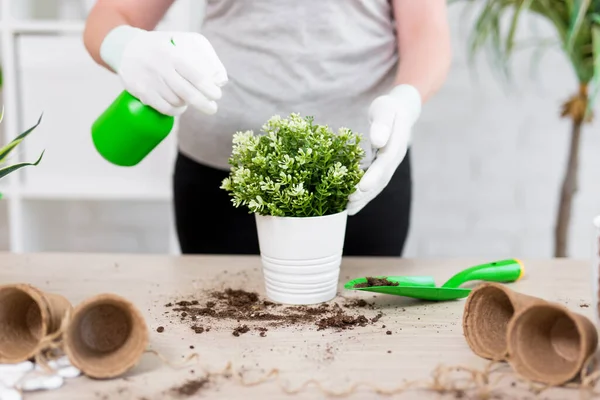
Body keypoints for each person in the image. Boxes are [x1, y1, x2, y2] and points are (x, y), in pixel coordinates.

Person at [83, 0, 451, 256]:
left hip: (361, 175)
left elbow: (426, 29)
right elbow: (113, 12)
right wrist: (125, 45)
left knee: (358, 343)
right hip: (221, 171)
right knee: (219, 342)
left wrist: (406, 100)